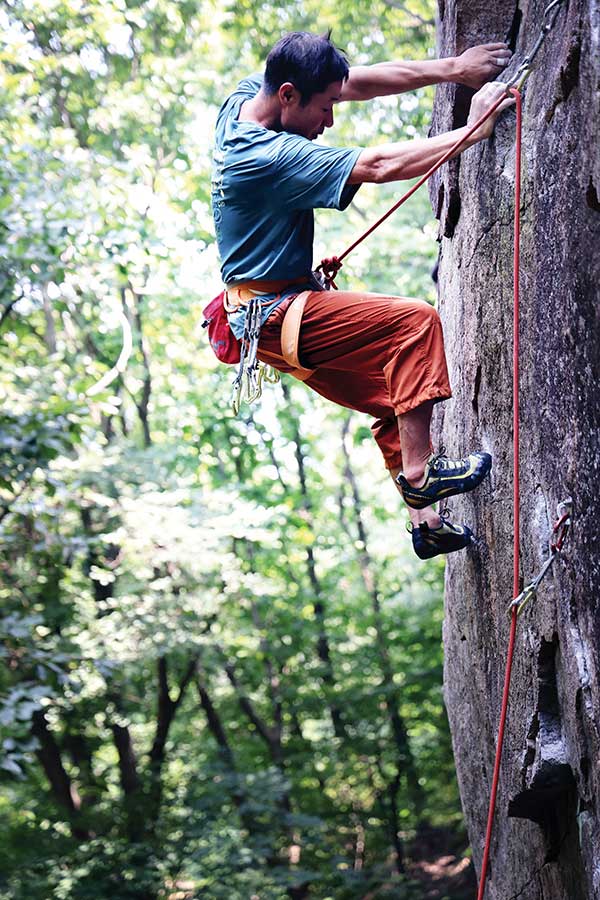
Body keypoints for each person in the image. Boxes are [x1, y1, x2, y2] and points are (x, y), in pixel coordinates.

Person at [211, 31, 514, 559]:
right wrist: (474, 130)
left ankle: (427, 524)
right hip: (272, 314)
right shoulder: (262, 154)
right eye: (325, 107)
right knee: (414, 325)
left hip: (265, 311)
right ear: (287, 95)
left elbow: (363, 82)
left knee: (393, 393)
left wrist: (454, 68)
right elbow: (377, 167)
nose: (329, 121)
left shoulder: (244, 101)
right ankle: (421, 479)